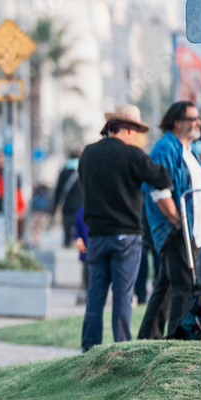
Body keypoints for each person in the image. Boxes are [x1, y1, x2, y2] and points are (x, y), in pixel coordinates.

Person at [78, 105, 170, 352]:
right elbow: (163, 178)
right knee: (123, 297)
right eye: (136, 130)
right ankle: (121, 350)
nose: (137, 136)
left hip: (96, 236)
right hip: (126, 236)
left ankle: (89, 349)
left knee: (95, 297)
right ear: (128, 129)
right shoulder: (133, 155)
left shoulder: (88, 154)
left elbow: (83, 186)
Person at [138, 101, 201, 341]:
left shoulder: (188, 148)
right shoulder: (165, 147)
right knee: (184, 287)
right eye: (193, 118)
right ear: (178, 122)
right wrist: (178, 223)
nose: (199, 122)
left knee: (166, 286)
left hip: (194, 231)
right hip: (177, 231)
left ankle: (149, 338)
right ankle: (177, 342)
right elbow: (159, 191)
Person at [52, 149, 83, 248]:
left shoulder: (64, 172)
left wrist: (55, 207)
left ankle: (67, 243)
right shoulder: (83, 170)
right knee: (79, 227)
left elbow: (58, 190)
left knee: (67, 226)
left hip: (67, 205)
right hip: (80, 205)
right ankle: (78, 244)